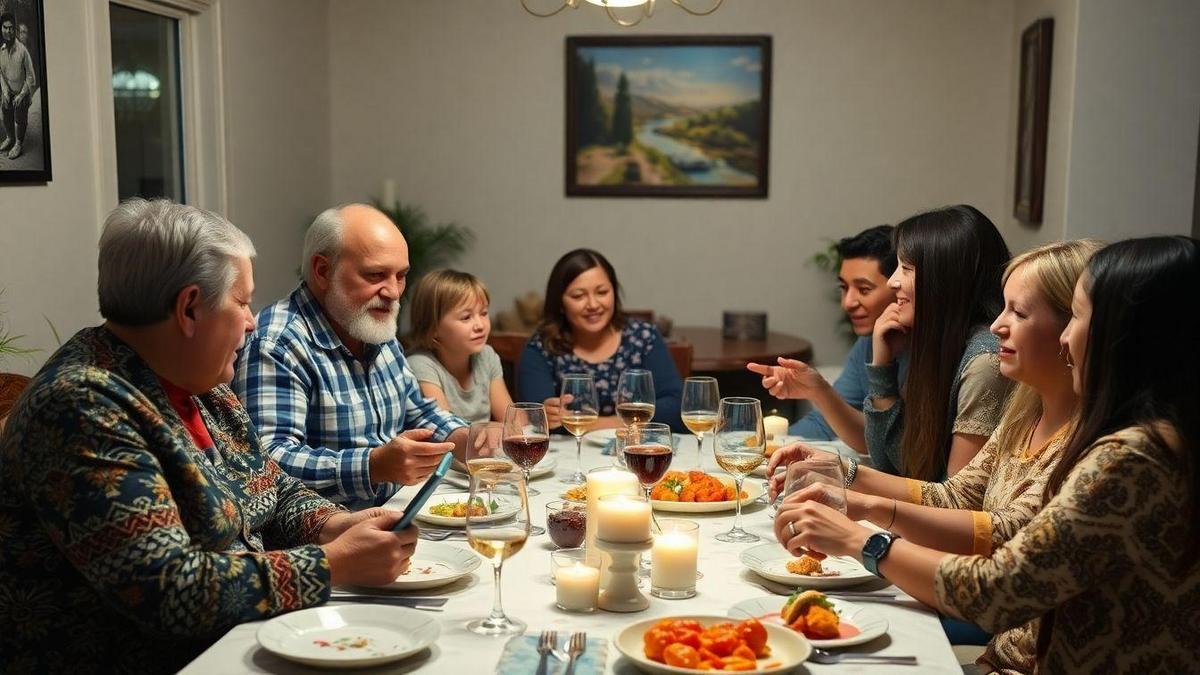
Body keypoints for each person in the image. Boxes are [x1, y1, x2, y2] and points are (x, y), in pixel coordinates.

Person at [0, 200, 419, 672]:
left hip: (237, 641)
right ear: (189, 309)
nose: (252, 320)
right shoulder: (83, 406)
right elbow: (170, 588)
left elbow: (274, 488)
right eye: (241, 302)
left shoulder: (198, 381)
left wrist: (333, 526)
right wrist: (332, 564)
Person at [775, 236, 1200, 673]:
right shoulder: (1050, 413)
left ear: (1126, 335)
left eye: (1076, 317)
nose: (1068, 335)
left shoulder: (1132, 457)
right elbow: (959, 496)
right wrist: (849, 484)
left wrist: (857, 536)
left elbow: (996, 589)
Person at [234, 204, 468, 509]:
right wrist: (372, 466)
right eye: (376, 275)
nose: (394, 292)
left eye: (401, 276)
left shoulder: (371, 323)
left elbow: (416, 410)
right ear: (322, 271)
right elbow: (268, 461)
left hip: (397, 511)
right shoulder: (278, 343)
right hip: (327, 536)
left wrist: (465, 437)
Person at [865, 205, 1013, 478]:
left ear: (944, 280)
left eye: (906, 268)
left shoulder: (986, 362)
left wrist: (850, 478)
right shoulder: (939, 341)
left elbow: (956, 500)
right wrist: (882, 365)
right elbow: (899, 463)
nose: (892, 282)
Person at [748, 224, 901, 449]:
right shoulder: (867, 343)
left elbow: (893, 447)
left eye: (864, 290)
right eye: (844, 288)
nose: (847, 303)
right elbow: (830, 424)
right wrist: (762, 447)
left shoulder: (933, 352)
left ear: (900, 287)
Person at [517, 248, 683, 431]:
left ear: (614, 292)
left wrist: (601, 424)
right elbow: (533, 416)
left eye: (602, 292)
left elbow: (675, 406)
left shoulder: (644, 337)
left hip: (635, 450)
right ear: (560, 303)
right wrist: (548, 413)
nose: (593, 305)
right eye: (578, 296)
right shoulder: (541, 345)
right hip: (569, 455)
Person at [406, 269, 513, 423]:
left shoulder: (486, 355)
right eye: (466, 317)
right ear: (433, 327)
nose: (480, 325)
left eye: (483, 313)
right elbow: (446, 429)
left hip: (484, 446)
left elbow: (512, 422)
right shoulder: (420, 363)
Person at [0, 12, 36, 160]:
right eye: (5, 27)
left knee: (19, 117)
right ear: (1, 29)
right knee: (5, 109)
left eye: (11, 28)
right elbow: (1, 74)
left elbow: (31, 78)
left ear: (15, 30)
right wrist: (5, 91)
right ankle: (10, 138)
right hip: (10, 91)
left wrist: (22, 94)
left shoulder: (22, 51)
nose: (8, 31)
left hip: (23, 91)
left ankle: (18, 144)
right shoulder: (1, 51)